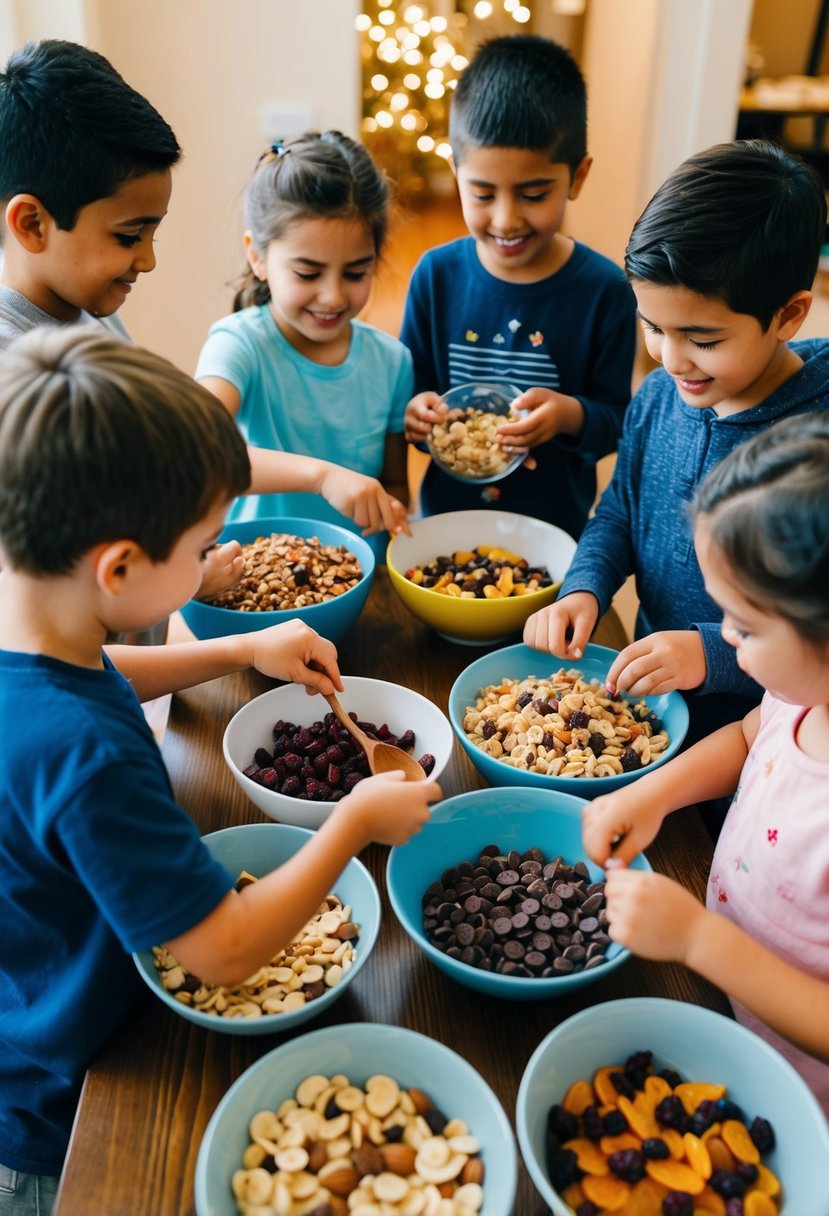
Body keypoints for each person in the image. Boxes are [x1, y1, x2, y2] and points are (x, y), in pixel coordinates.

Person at [0, 327, 440, 1213]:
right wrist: (354, 820)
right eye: (202, 549)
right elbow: (225, 953)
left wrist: (241, 644)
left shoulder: (33, 633)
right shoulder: (91, 758)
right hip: (66, 1095)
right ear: (120, 568)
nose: (215, 563)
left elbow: (97, 672)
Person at [0, 39, 408, 589]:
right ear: (31, 223)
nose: (147, 259)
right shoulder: (15, 371)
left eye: (152, 232)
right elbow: (188, 458)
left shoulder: (88, 317)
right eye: (128, 235)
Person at [524, 139, 829, 752]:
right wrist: (585, 585)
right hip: (651, 707)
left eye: (703, 338)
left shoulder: (812, 442)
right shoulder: (661, 395)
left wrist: (710, 653)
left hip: (774, 735)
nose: (670, 357)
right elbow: (619, 510)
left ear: (790, 315)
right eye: (654, 327)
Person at [582, 411, 829, 1116]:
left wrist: (695, 937)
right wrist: (652, 795)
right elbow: (751, 739)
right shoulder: (795, 694)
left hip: (787, 1088)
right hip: (712, 993)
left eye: (743, 627)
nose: (719, 636)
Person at [400, 34, 636, 539]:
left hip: (552, 532)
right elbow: (411, 384)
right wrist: (416, 414)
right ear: (455, 173)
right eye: (482, 194)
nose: (506, 219)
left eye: (533, 194)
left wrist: (570, 415)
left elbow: (618, 420)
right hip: (447, 522)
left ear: (577, 177)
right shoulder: (435, 276)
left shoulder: (604, 291)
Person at [195, 131, 411, 560]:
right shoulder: (237, 345)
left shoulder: (391, 362)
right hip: (248, 575)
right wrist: (321, 477)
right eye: (308, 274)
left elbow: (395, 485)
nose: (332, 296)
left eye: (355, 273)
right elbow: (197, 451)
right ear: (257, 256)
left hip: (354, 578)